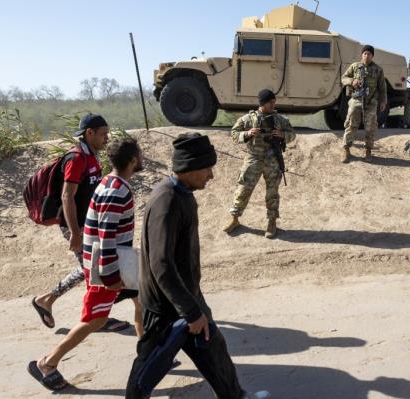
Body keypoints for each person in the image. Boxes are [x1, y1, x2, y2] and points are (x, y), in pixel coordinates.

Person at [126, 133, 270, 399]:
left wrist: (193, 306)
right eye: (207, 168)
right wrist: (191, 312)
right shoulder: (166, 202)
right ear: (189, 167)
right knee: (148, 366)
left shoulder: (183, 194)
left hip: (187, 295)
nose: (211, 175)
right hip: (165, 307)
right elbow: (162, 265)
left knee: (214, 348)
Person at [28, 138, 145, 391]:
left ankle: (149, 356)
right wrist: (111, 275)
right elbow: (106, 233)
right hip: (108, 267)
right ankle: (47, 363)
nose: (142, 158)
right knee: (95, 320)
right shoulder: (118, 190)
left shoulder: (108, 182)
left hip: (115, 263)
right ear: (133, 160)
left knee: (142, 303)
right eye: (141, 155)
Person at [31, 113, 129, 332]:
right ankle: (95, 319)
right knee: (93, 269)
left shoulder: (91, 156)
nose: (106, 138)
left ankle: (48, 301)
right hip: (74, 224)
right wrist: (75, 233)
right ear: (89, 133)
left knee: (91, 268)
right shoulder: (76, 158)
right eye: (103, 133)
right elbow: (68, 196)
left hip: (88, 223)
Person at [222, 88, 296, 239]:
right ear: (262, 103)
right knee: (243, 189)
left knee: (272, 193)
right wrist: (248, 134)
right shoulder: (247, 119)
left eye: (274, 102)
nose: (273, 105)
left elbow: (292, 135)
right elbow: (234, 134)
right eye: (270, 103)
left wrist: (281, 135)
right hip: (253, 158)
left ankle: (272, 222)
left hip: (272, 159)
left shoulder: (280, 120)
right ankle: (234, 219)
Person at [340, 44, 387, 163]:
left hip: (371, 102)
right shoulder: (355, 66)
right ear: (362, 55)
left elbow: (382, 88)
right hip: (356, 100)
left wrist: (383, 101)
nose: (367, 56)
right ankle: (346, 149)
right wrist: (352, 81)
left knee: (370, 127)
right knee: (351, 125)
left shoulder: (378, 70)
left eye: (369, 54)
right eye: (365, 53)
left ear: (372, 56)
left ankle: (368, 151)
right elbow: (343, 78)